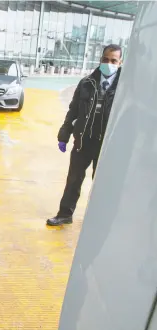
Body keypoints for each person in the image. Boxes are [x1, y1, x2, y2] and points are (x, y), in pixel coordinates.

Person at [47, 44, 123, 226]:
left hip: (106, 146)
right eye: (105, 59)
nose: (109, 63)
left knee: (102, 185)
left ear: (120, 62)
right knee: (73, 180)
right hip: (83, 142)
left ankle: (98, 221)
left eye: (113, 60)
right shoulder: (86, 83)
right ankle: (65, 213)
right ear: (100, 60)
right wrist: (64, 135)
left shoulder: (125, 88)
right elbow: (73, 111)